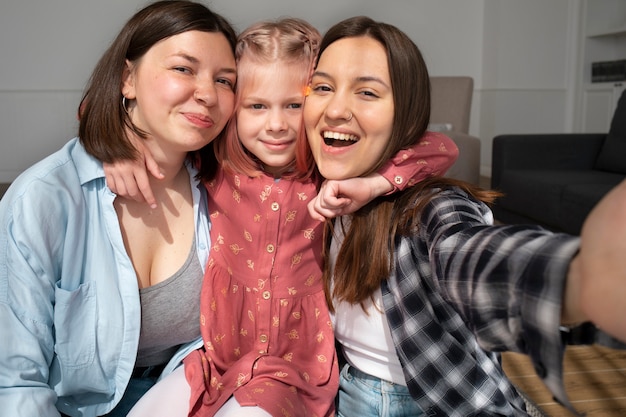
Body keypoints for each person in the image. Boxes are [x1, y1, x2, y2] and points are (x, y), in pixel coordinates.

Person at [113, 18, 458, 417]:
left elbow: (441, 148)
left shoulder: (326, 172)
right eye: (256, 106)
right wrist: (118, 144)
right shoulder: (217, 162)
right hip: (216, 359)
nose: (276, 125)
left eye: (294, 105)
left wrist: (376, 184)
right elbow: (136, 116)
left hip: (296, 368)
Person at [303, 16, 626, 417]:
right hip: (342, 388)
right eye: (322, 87)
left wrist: (580, 278)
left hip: (438, 400)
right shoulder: (313, 188)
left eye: (367, 92)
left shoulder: (431, 207)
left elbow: (469, 253)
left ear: (405, 114)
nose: (335, 108)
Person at [0, 1, 239, 416]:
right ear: (128, 78)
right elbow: (16, 380)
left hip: (188, 397)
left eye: (225, 79)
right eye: (183, 69)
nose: (207, 93)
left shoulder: (226, 189)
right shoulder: (45, 199)